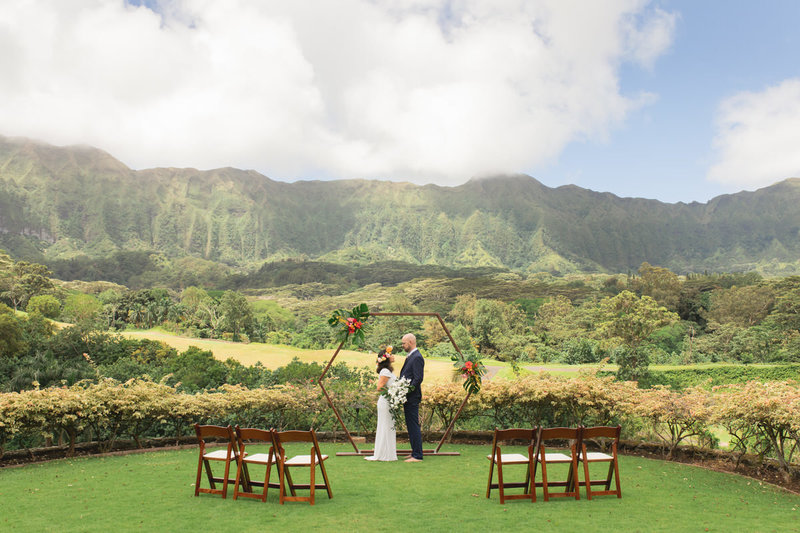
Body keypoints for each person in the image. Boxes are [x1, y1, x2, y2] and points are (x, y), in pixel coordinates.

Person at [365, 346, 397, 461]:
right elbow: (379, 388)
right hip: (385, 402)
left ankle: (388, 453)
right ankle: (383, 454)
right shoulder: (385, 371)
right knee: (385, 426)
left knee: (389, 426)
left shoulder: (389, 371)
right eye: (391, 354)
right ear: (387, 358)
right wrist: (393, 393)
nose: (393, 356)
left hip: (389, 402)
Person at [399, 333, 424, 462]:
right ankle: (414, 452)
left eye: (404, 343)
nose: (402, 345)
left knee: (413, 426)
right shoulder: (411, 356)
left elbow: (418, 378)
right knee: (410, 425)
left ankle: (418, 455)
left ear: (410, 342)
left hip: (412, 397)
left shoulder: (417, 357)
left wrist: (406, 391)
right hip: (408, 398)